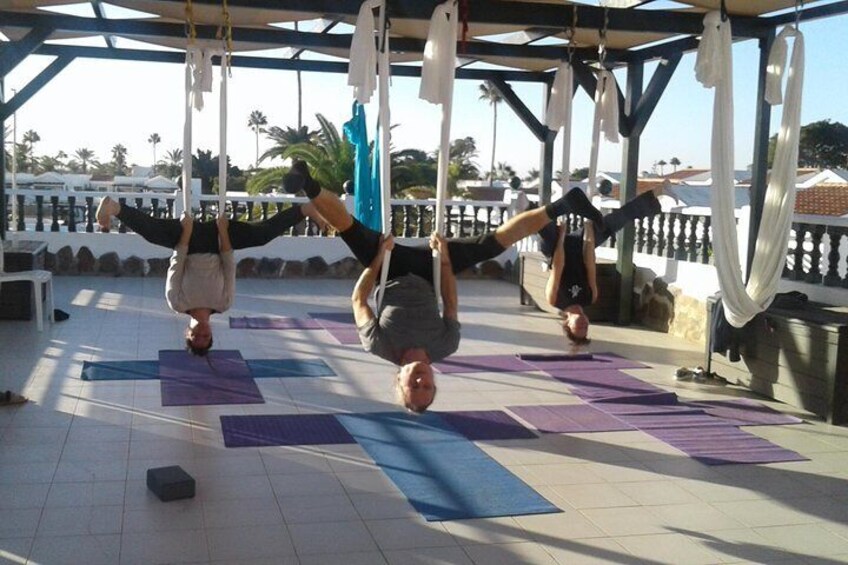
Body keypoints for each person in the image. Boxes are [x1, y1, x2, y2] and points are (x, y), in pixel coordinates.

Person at [282, 160, 572, 413]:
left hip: (387, 268)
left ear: (399, 380)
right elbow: (450, 301)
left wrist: (380, 256)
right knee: (491, 245)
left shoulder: (378, 345)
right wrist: (445, 259)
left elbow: (359, 299)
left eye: (413, 387)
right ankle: (561, 206)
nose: (421, 381)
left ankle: (306, 181)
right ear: (435, 384)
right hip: (431, 272)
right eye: (427, 388)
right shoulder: (446, 345)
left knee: (349, 229)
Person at [95, 196, 323, 355]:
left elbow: (178, 262)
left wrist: (187, 231)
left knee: (155, 234)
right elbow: (228, 265)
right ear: (211, 334)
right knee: (260, 236)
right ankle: (305, 210)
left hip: (188, 242)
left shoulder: (176, 302)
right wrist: (223, 231)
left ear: (188, 333)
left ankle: (113, 207)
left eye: (196, 338)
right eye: (206, 338)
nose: (202, 334)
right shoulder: (224, 303)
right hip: (218, 242)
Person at [537, 187, 661, 345]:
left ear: (567, 324)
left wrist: (561, 234)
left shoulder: (554, 300)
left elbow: (558, 265)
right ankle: (656, 194)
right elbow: (590, 263)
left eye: (579, 328)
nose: (583, 325)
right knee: (610, 224)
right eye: (586, 328)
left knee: (542, 225)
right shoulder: (590, 297)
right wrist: (589, 231)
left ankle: (529, 208)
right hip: (578, 247)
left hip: (555, 249)